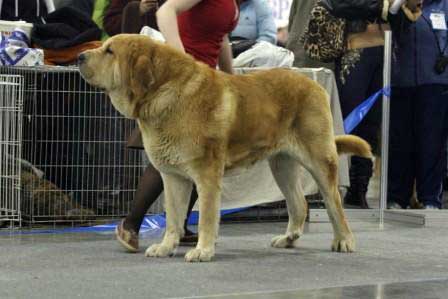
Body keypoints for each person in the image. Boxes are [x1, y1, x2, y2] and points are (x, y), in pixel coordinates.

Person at [115, 0, 239, 252]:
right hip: (179, 80)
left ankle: (178, 227)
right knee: (167, 155)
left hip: (207, 82)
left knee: (198, 159)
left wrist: (231, 76)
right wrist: (182, 58)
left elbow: (221, 38)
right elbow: (165, 11)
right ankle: (131, 224)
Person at [387, 0, 448, 209]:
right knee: (400, 142)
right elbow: (388, 25)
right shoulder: (401, 5)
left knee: (432, 143)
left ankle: (430, 198)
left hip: (436, 84)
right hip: (401, 82)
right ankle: (397, 197)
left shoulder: (444, 6)